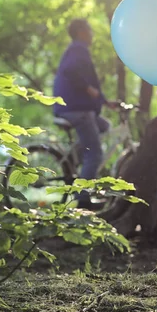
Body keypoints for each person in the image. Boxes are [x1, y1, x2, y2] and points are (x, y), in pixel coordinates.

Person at [53, 19, 118, 209]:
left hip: (73, 108)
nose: (92, 33)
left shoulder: (76, 50)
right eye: (89, 29)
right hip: (77, 110)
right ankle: (83, 199)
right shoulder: (78, 49)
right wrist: (89, 89)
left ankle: (78, 156)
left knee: (104, 126)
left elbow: (89, 84)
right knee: (96, 153)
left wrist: (105, 101)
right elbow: (72, 72)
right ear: (81, 31)